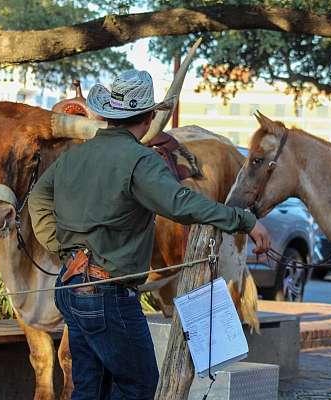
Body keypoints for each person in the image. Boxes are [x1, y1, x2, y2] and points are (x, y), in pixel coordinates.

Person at [28, 69, 271, 399]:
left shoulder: (76, 156)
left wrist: (59, 244)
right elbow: (180, 203)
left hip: (70, 286)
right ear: (147, 118)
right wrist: (245, 220)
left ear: (112, 114)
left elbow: (38, 196)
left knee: (90, 387)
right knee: (139, 388)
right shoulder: (140, 159)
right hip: (108, 294)